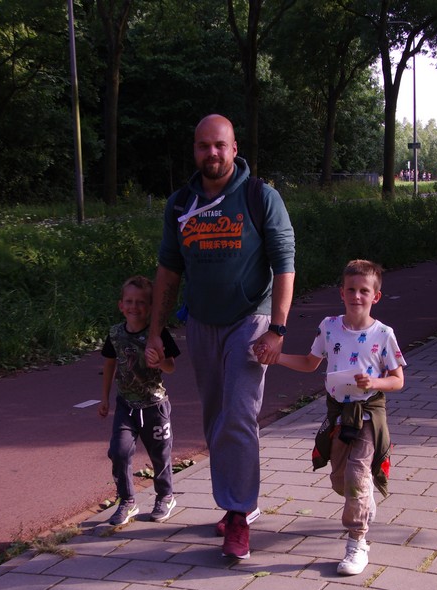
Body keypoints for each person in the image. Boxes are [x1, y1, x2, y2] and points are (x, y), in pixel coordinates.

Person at [145, 114, 296, 559]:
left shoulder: (260, 197)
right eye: (203, 145)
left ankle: (237, 513)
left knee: (238, 415)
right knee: (215, 417)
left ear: (234, 149)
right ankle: (237, 501)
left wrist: (278, 329)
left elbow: (284, 264)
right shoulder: (181, 203)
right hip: (202, 323)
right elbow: (168, 270)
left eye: (219, 145)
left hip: (251, 320)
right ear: (194, 150)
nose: (211, 153)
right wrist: (155, 331)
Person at [272, 259, 405, 575]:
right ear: (341, 293)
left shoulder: (383, 334)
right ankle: (364, 498)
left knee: (357, 475)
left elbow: (398, 380)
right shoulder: (329, 327)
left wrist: (374, 382)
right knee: (340, 478)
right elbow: (309, 363)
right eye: (351, 289)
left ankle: (357, 542)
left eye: (364, 291)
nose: (357, 296)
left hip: (368, 414)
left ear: (375, 296)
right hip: (338, 415)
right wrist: (276, 358)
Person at [99, 275, 181, 525]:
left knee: (160, 455)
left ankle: (165, 496)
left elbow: (171, 367)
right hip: (126, 406)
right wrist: (104, 398)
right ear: (121, 305)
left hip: (155, 406)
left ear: (151, 307)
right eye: (129, 301)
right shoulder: (115, 334)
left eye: (141, 302)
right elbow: (109, 365)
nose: (134, 307)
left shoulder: (158, 334)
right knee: (119, 452)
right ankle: (127, 501)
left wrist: (160, 361)